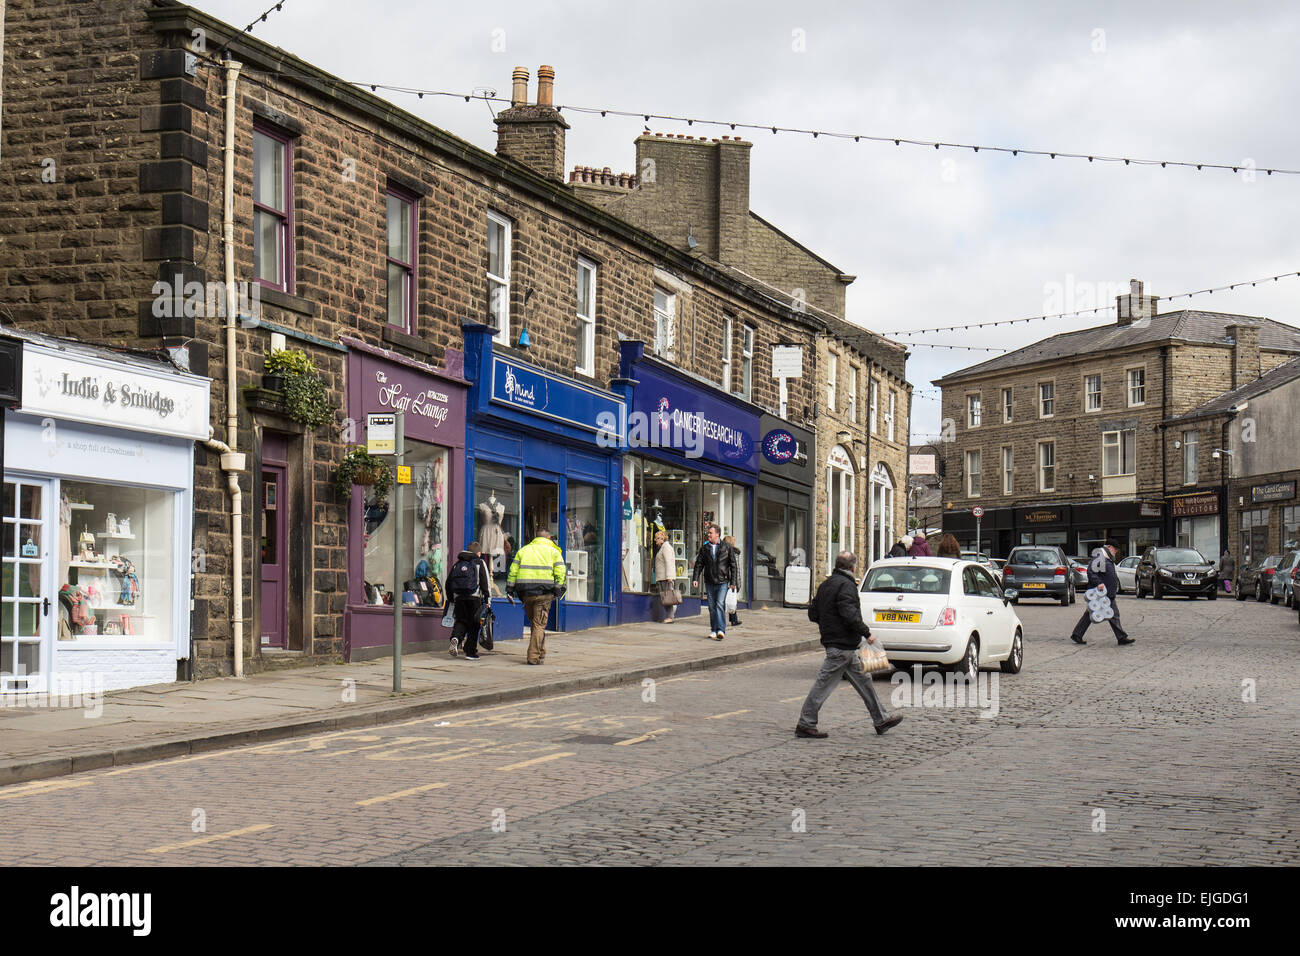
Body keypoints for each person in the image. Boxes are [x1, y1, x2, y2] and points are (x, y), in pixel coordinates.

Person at [796, 551, 904, 739]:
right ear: (853, 567)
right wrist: (867, 633)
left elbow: (813, 613)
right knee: (823, 685)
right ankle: (806, 723)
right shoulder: (847, 586)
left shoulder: (825, 585)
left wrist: (828, 623)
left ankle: (881, 720)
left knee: (865, 681)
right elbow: (849, 614)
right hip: (841, 645)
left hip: (843, 646)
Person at [507, 527, 566, 665]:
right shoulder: (554, 551)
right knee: (539, 625)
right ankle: (533, 657)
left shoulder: (524, 550)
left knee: (536, 624)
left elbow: (513, 571)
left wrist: (509, 589)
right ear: (549, 538)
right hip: (544, 593)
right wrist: (558, 589)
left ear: (535, 537)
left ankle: (541, 653)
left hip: (526, 593)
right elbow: (560, 572)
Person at [1070, 537, 1134, 646]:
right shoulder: (1100, 556)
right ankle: (1077, 634)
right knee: (1099, 613)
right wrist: (1098, 583)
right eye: (1115, 549)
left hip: (1107, 593)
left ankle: (1121, 637)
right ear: (1109, 547)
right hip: (1101, 593)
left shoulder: (1107, 558)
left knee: (1111, 615)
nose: (1116, 552)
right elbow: (1091, 572)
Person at [691, 523, 738, 641]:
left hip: (723, 581)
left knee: (719, 604)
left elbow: (733, 565)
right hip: (709, 581)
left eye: (711, 533)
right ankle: (714, 630)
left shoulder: (726, 547)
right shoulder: (705, 548)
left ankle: (721, 630)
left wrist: (733, 581)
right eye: (708, 533)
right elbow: (699, 564)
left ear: (717, 534)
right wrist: (695, 578)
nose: (708, 535)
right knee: (711, 607)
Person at [446, 542, 492, 660]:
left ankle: (456, 638)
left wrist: (451, 598)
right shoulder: (480, 562)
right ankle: (470, 652)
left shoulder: (458, 564)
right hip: (475, 597)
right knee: (474, 624)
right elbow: (485, 582)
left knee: (461, 621)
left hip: (459, 598)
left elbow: (448, 582)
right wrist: (488, 599)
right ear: (479, 553)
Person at [653, 530, 678, 623]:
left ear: (662, 539)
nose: (655, 540)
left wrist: (669, 577)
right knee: (666, 598)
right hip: (663, 577)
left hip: (666, 578)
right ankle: (670, 616)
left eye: (657, 538)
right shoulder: (663, 547)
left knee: (668, 598)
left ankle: (670, 617)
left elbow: (669, 562)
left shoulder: (666, 547)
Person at [723, 534, 743, 627]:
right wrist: (737, 583)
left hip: (728, 580)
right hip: (730, 580)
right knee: (730, 600)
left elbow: (735, 569)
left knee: (728, 600)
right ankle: (733, 620)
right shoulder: (733, 553)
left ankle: (732, 620)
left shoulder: (732, 553)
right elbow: (737, 569)